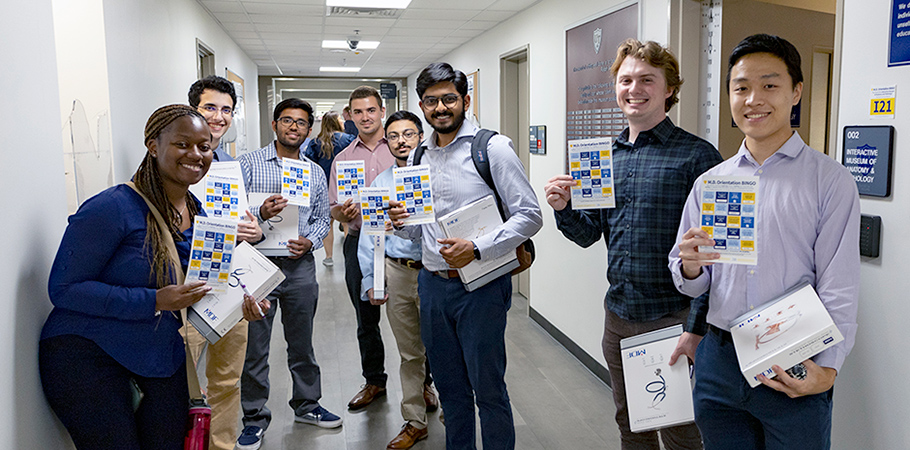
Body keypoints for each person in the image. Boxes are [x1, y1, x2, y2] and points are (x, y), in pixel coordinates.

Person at [669, 34, 859, 450]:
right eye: (741, 88)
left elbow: (839, 285)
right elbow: (693, 282)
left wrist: (828, 368)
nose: (753, 99)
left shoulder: (829, 181)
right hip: (719, 357)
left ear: (796, 92)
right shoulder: (711, 183)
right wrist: (690, 266)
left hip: (793, 354)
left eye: (769, 85)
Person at [39, 104, 267, 450]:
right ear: (153, 145)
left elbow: (199, 286)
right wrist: (155, 300)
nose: (196, 155)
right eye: (182, 144)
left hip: (157, 353)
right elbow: (64, 289)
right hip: (88, 352)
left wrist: (241, 304)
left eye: (204, 147)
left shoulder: (195, 210)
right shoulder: (113, 207)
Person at [543, 39, 722, 450]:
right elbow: (588, 235)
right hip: (619, 317)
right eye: (626, 80)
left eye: (646, 79)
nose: (634, 89)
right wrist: (563, 208)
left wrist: (695, 328)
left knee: (680, 430)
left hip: (674, 318)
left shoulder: (698, 157)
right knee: (631, 424)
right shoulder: (604, 157)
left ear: (669, 89)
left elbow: (717, 258)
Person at [389, 62, 542, 450]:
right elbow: (419, 228)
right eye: (431, 101)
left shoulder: (492, 148)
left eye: (449, 99)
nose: (440, 108)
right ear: (422, 106)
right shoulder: (420, 155)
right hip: (432, 286)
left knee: (488, 390)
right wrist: (400, 221)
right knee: (451, 391)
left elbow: (530, 215)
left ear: (465, 101)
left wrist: (476, 248)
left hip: (482, 287)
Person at [236, 98, 339, 450]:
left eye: (300, 123)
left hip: (299, 268)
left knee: (302, 343)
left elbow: (323, 217)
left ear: (309, 130)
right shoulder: (248, 164)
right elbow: (233, 212)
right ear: (275, 125)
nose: (293, 127)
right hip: (257, 265)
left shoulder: (314, 171)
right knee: (256, 348)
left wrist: (310, 241)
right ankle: (253, 418)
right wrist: (260, 211)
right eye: (286, 120)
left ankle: (307, 405)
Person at [187, 75, 265, 450]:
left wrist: (253, 229)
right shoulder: (175, 161)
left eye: (226, 110)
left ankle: (222, 445)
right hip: (186, 287)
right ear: (193, 110)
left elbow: (244, 219)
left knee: (226, 380)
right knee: (181, 385)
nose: (219, 117)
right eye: (210, 108)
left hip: (230, 285)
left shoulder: (230, 166)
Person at [357, 110, 439, 449]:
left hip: (437, 273)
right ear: (386, 141)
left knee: (444, 350)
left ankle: (454, 413)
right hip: (398, 272)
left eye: (408, 133)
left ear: (421, 136)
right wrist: (371, 279)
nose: (401, 140)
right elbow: (370, 236)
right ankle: (415, 421)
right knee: (409, 354)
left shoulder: (438, 175)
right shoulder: (381, 184)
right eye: (393, 135)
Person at [329, 86, 396, 410]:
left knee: (416, 315)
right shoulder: (343, 159)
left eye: (371, 110)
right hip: (358, 242)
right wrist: (343, 213)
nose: (365, 117)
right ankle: (374, 381)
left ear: (382, 111)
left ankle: (425, 384)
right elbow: (333, 208)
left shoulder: (403, 150)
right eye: (358, 112)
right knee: (365, 318)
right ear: (350, 115)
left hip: (401, 245)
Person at [305, 110, 355, 267]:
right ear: (336, 121)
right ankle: (349, 254)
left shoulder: (316, 142)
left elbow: (309, 166)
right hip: (345, 186)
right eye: (340, 119)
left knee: (328, 222)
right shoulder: (349, 140)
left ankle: (328, 256)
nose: (342, 122)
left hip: (324, 188)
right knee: (347, 221)